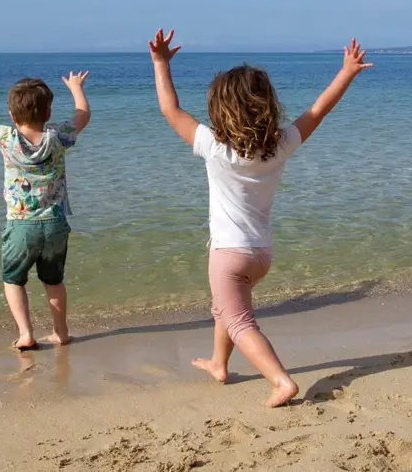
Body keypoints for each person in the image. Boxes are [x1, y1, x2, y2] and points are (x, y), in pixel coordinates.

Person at [147, 29, 373, 406]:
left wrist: (159, 63)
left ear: (219, 110)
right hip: (260, 253)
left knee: (238, 321)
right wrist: (346, 73)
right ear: (267, 105)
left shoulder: (214, 147)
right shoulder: (281, 145)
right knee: (227, 306)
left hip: (228, 254)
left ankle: (280, 380)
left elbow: (170, 109)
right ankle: (219, 363)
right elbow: (318, 109)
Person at [0, 56, 91, 351]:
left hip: (20, 225)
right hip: (55, 224)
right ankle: (61, 333)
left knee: (13, 280)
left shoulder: (6, 138)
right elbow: (83, 115)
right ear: (48, 112)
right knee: (54, 281)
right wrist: (76, 87)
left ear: (12, 114)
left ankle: (26, 334)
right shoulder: (58, 136)